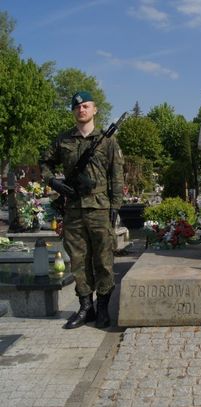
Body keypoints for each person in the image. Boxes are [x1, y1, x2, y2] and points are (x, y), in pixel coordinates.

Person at [40, 91, 124, 329]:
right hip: (74, 209)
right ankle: (86, 307)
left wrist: (115, 207)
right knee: (78, 260)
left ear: (94, 110)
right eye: (77, 107)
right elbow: (44, 162)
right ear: (73, 112)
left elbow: (116, 177)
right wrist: (53, 182)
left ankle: (104, 308)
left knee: (104, 260)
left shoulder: (107, 141)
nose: (81, 110)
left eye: (86, 106)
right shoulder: (64, 140)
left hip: (99, 208)